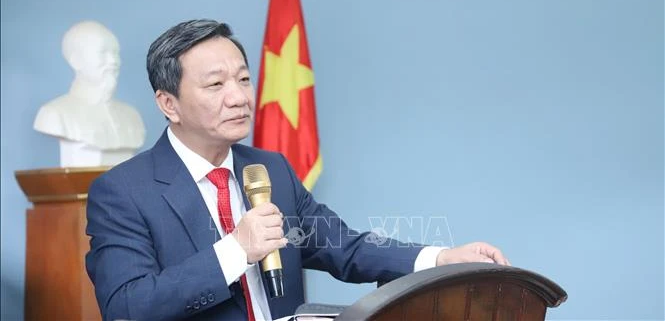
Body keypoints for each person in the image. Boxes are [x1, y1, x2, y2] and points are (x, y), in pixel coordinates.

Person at [85, 19, 509, 321]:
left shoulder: (270, 170)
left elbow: (347, 248)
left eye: (244, 79)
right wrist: (236, 251)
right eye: (216, 85)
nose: (238, 97)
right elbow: (127, 305)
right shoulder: (122, 192)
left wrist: (443, 258)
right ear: (168, 103)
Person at [33, 20, 145, 167]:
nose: (113, 61)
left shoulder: (132, 116)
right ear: (76, 60)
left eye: (116, 53)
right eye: (102, 53)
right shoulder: (54, 113)